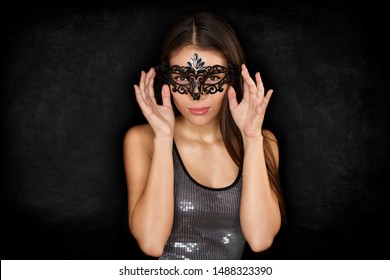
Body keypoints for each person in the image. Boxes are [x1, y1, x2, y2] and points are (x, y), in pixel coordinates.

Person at [123, 12, 286, 260]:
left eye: (211, 77)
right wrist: (164, 138)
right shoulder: (142, 141)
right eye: (182, 78)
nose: (197, 94)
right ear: (167, 78)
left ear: (232, 77)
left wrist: (251, 139)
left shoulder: (264, 143)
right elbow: (151, 243)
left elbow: (260, 239)